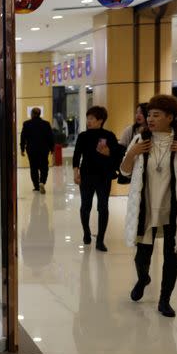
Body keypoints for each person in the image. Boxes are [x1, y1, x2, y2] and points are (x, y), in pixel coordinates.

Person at [120, 94, 177, 317]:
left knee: (171, 254)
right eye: (148, 114)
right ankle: (143, 278)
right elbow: (124, 171)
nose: (150, 118)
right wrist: (132, 153)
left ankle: (165, 300)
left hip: (173, 209)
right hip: (146, 207)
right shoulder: (141, 140)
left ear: (169, 117)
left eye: (156, 115)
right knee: (142, 255)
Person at [73, 106, 120, 252]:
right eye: (88, 118)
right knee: (85, 206)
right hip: (86, 175)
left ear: (100, 120)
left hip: (104, 175)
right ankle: (86, 232)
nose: (88, 121)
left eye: (92, 118)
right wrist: (76, 172)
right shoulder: (83, 136)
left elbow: (117, 155)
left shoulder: (109, 135)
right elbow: (76, 155)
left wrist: (108, 153)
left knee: (103, 207)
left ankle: (100, 240)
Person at [20, 107, 54, 194]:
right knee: (44, 166)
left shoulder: (26, 124)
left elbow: (23, 137)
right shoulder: (46, 124)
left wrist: (22, 149)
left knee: (33, 167)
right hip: (43, 149)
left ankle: (36, 186)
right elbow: (50, 137)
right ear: (39, 114)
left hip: (31, 149)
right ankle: (42, 181)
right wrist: (52, 148)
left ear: (32, 114)